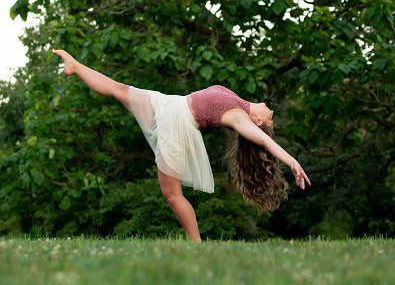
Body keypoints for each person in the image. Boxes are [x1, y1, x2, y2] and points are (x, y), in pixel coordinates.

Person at [51, 49, 311, 241]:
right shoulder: (240, 103)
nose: (271, 117)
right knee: (119, 89)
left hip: (178, 122)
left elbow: (264, 140)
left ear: (256, 121)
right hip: (171, 104)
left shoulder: (240, 118)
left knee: (172, 194)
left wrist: (292, 161)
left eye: (268, 121)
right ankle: (75, 66)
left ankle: (195, 244)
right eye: (271, 120)